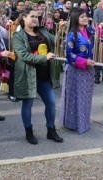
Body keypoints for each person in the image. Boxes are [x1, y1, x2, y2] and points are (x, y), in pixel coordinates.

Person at [12, 8, 64, 144]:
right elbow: (23, 55)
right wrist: (44, 58)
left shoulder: (43, 32)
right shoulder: (18, 35)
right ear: (24, 17)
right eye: (32, 16)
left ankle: (51, 130)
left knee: (51, 103)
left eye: (36, 16)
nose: (35, 19)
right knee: (27, 104)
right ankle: (29, 132)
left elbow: (56, 42)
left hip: (44, 75)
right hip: (28, 75)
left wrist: (61, 31)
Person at [60, 8, 95, 134]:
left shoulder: (90, 31)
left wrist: (101, 28)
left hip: (88, 70)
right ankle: (72, 123)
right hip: (75, 70)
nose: (85, 18)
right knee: (74, 97)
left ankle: (83, 121)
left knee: (85, 97)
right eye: (82, 17)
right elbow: (69, 55)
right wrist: (84, 62)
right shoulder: (72, 35)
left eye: (86, 16)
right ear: (76, 19)